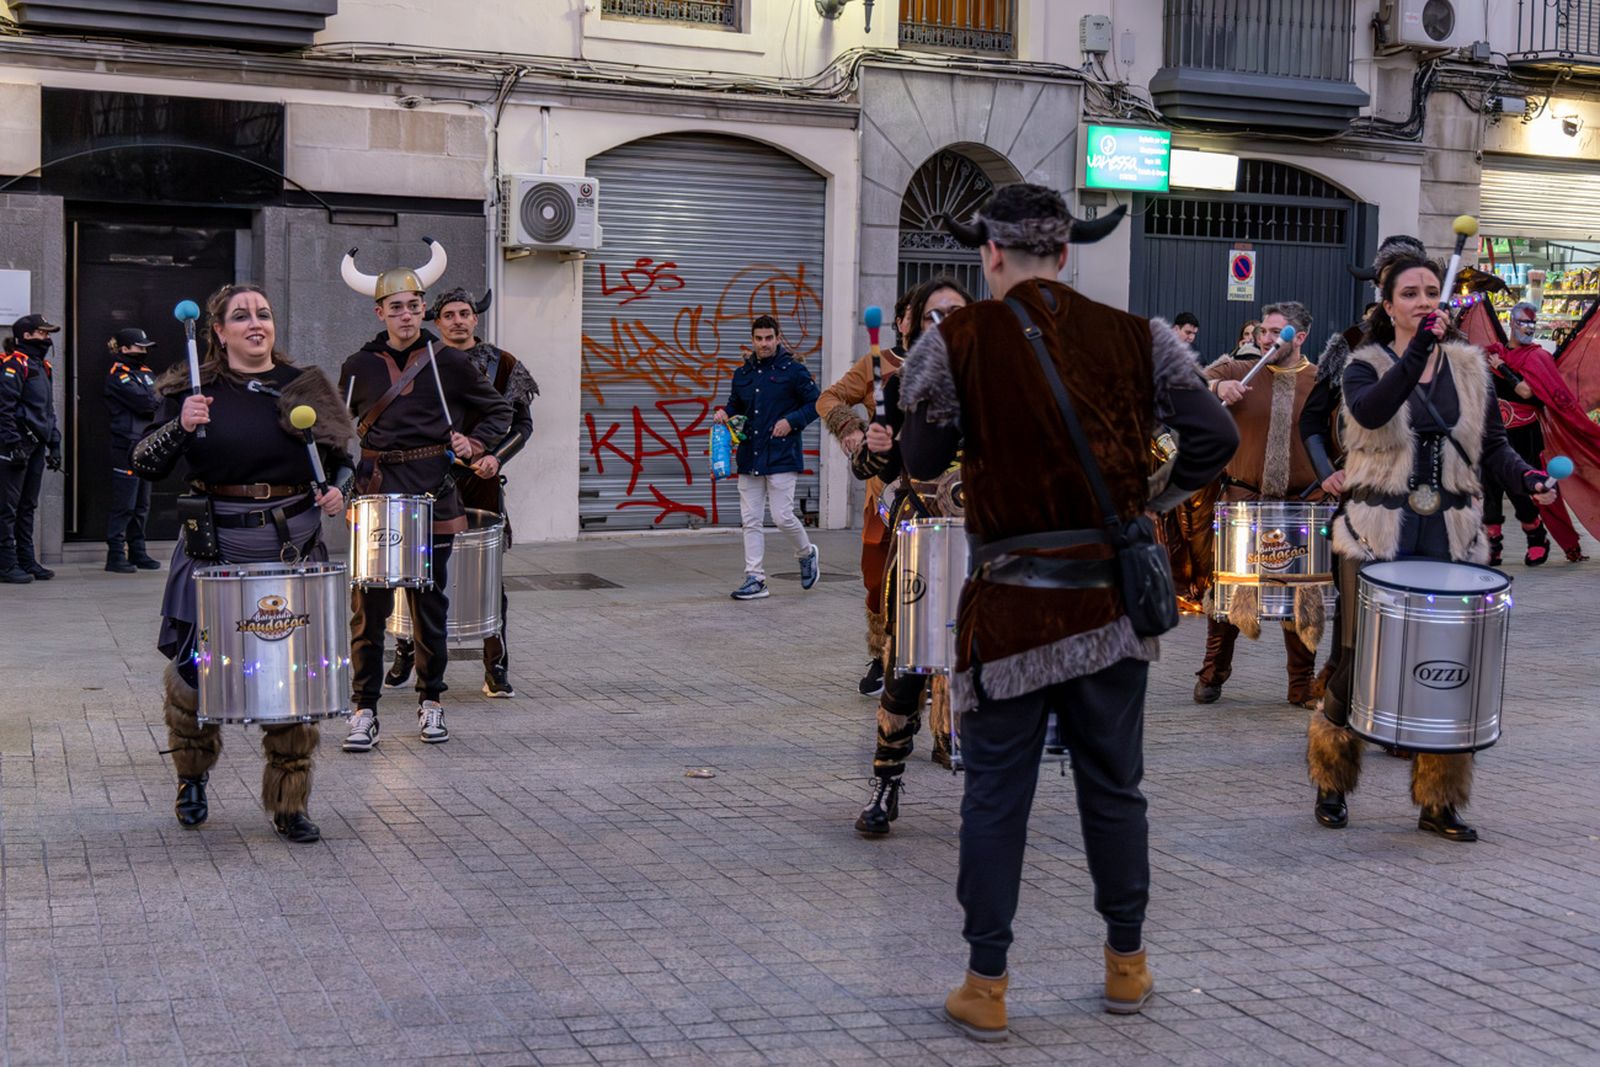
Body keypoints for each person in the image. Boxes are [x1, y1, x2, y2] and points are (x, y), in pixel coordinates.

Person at [897, 184, 1238, 1041]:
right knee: (1115, 789)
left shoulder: (956, 339)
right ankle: (1127, 967)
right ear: (1067, 252)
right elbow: (1215, 439)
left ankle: (987, 983)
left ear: (990, 254)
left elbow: (922, 454)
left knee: (995, 799)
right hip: (1110, 609)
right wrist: (1155, 498)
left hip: (1010, 612)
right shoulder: (1139, 336)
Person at [1307, 248, 1558, 843]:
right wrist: (1418, 348)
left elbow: (1492, 447)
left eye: (1429, 293)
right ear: (1388, 306)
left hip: (1448, 529)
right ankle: (1332, 780)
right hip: (1376, 531)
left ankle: (1439, 799)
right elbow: (1370, 413)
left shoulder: (1471, 368)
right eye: (1410, 295)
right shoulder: (1362, 366)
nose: (1423, 302)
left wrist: (1529, 481)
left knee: (1448, 663)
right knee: (1357, 654)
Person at [131, 283, 355, 843]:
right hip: (216, 548)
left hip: (291, 545)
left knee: (293, 677)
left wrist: (339, 491)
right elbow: (144, 463)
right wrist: (181, 424)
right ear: (219, 330)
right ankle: (191, 778)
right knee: (193, 674)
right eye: (242, 316)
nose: (256, 323)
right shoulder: (191, 386)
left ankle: (289, 803)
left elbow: (345, 462)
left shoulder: (304, 386)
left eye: (264, 314)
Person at [338, 241, 513, 751]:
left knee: (428, 604)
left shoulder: (448, 362)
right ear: (380, 311)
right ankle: (363, 711)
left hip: (434, 492)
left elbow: (499, 409)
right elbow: (335, 424)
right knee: (367, 605)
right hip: (375, 492)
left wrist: (475, 441)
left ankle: (430, 702)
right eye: (396, 306)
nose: (407, 314)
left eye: (415, 305)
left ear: (423, 310)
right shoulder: (357, 364)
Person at [852, 276, 973, 835]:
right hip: (921, 538)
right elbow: (874, 468)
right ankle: (886, 782)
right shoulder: (900, 389)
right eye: (934, 314)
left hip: (984, 542)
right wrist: (873, 448)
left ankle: (991, 793)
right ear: (916, 324)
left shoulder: (1000, 385)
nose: (945, 322)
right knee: (906, 667)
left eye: (957, 312)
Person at [383, 287, 537, 699]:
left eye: (464, 313)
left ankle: (496, 666)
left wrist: (496, 459)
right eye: (448, 314)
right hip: (424, 478)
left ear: (475, 318)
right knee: (413, 567)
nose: (457, 321)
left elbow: (522, 424)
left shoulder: (504, 366)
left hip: (479, 481)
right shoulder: (417, 361)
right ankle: (405, 652)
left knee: (489, 578)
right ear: (436, 321)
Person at [1193, 302, 1325, 709]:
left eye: (1275, 333)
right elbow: (1183, 379)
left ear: (1299, 338)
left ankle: (1301, 685)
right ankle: (1213, 673)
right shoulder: (1238, 369)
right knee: (1231, 592)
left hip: (1303, 503)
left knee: (1304, 599)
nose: (1265, 339)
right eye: (1263, 332)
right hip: (1243, 497)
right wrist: (1216, 388)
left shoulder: (1320, 381)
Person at [816, 287, 915, 696]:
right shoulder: (878, 363)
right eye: (912, 313)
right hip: (886, 489)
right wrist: (850, 429)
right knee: (877, 578)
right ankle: (881, 655)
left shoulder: (955, 362)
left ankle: (922, 665)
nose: (921, 320)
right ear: (898, 321)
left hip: (937, 492)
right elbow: (830, 397)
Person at [713, 315, 821, 600]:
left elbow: (816, 403)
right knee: (750, 519)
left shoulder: (793, 371)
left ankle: (807, 553)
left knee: (783, 516)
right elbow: (735, 404)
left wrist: (792, 421)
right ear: (752, 340)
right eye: (759, 339)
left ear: (778, 338)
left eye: (769, 338)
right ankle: (755, 578)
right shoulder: (743, 374)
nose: (764, 344)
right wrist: (724, 413)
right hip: (750, 456)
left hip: (781, 454)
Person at [1482, 301, 1585, 565]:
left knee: (1521, 488)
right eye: (1522, 322)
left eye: (1531, 323)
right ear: (1511, 323)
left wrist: (1502, 367)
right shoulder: (1495, 353)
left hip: (1524, 432)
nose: (1527, 328)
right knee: (1490, 489)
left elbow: (1527, 392)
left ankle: (1537, 538)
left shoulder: (1537, 357)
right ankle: (1492, 544)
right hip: (1494, 432)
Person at [0, 313, 63, 584]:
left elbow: (47, 412)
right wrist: (12, 444)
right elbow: (4, 408)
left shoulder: (43, 367)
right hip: (16, 445)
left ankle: (26, 560)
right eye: (42, 333)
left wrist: (55, 444)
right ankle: (5, 563)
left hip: (36, 446)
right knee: (7, 508)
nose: (47, 338)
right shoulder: (13, 364)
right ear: (26, 335)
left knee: (28, 506)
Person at [104, 327, 164, 574]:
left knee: (142, 503)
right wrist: (155, 398)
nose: (144, 351)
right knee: (124, 503)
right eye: (140, 347)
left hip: (145, 442)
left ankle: (137, 550)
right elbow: (147, 402)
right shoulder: (118, 374)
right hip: (126, 443)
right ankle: (115, 554)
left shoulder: (146, 373)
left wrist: (156, 398)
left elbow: (160, 398)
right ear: (125, 349)